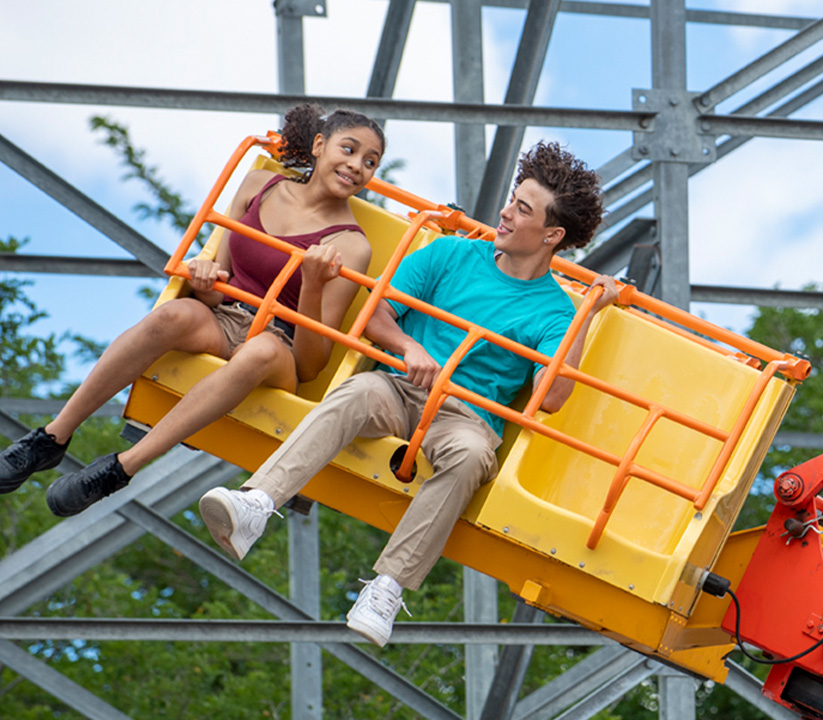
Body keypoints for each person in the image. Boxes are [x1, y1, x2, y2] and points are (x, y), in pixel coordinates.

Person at [197, 140, 616, 646]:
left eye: (521, 209)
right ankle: (255, 505)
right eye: (511, 199)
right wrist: (408, 347)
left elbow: (551, 397)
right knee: (355, 394)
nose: (504, 213)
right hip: (402, 387)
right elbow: (375, 313)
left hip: (467, 416)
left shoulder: (554, 310)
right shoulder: (451, 252)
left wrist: (588, 313)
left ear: (552, 235)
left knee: (470, 455)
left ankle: (387, 588)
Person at [0, 104, 385, 516]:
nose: (356, 166)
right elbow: (220, 280)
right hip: (225, 317)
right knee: (171, 316)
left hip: (278, 347)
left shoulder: (352, 246)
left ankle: (120, 469)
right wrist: (205, 279)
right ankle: (50, 439)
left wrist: (311, 286)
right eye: (348, 150)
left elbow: (311, 365)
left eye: (370, 162)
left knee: (259, 350)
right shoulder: (259, 184)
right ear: (320, 145)